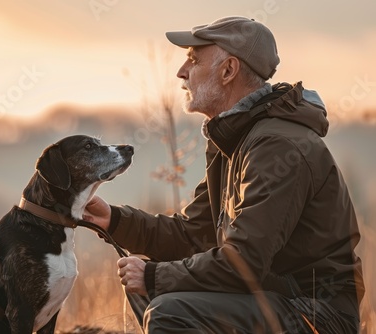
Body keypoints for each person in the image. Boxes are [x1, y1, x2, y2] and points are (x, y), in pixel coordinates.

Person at [84, 16, 364, 333]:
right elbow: (193, 236)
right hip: (276, 298)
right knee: (148, 287)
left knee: (169, 309)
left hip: (317, 315)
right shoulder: (233, 142)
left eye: (193, 59)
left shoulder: (276, 145)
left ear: (228, 70)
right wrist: (113, 220)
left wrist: (153, 276)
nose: (181, 72)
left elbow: (244, 262)